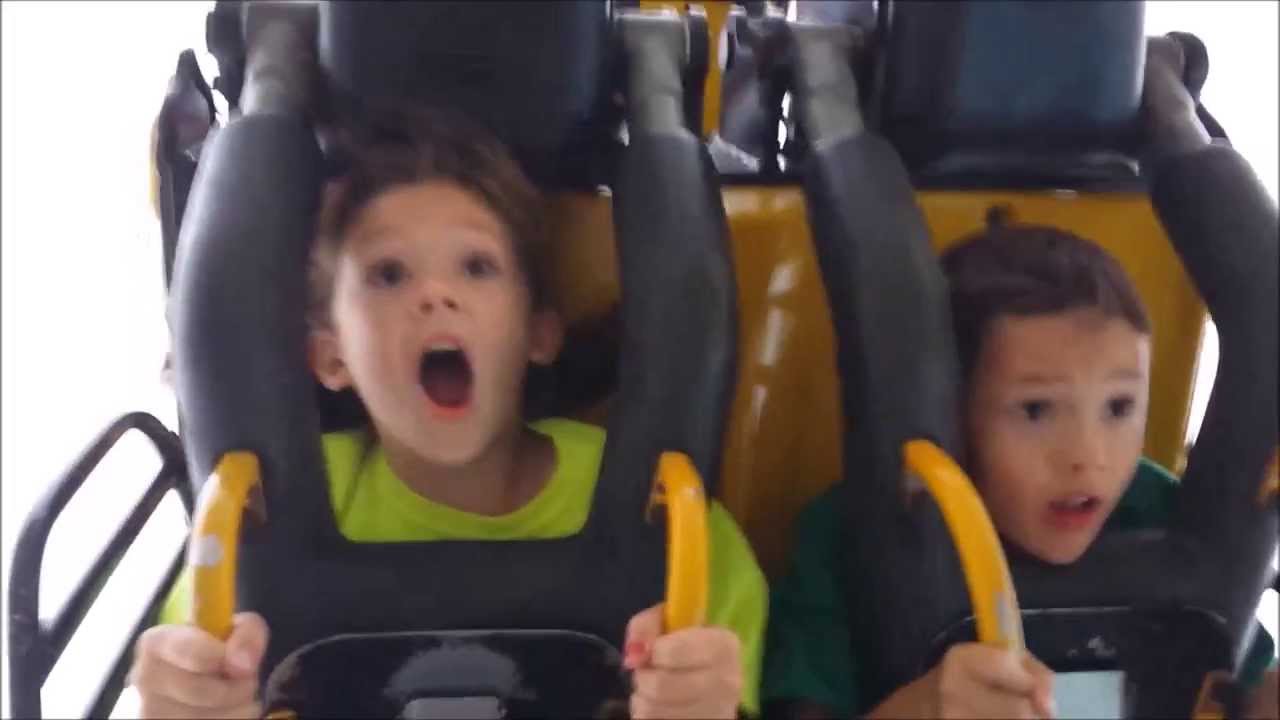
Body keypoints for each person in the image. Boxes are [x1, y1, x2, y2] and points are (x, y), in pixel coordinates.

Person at [130, 105, 767, 720]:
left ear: (538, 334)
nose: (436, 295)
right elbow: (191, 660)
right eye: (388, 275)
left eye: (476, 266)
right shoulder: (269, 510)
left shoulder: (665, 515)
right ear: (331, 358)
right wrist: (184, 696)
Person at [763, 37, 1278, 719]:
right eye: (1036, 411)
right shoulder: (847, 536)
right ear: (954, 414)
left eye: (1121, 407)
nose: (1087, 455)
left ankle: (1164, 101)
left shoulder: (1159, 510)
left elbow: (1234, 683)